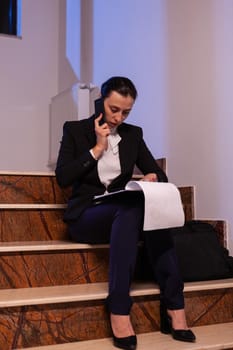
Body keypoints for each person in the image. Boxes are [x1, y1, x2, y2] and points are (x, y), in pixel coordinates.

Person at [55, 76, 196, 350]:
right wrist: (97, 148)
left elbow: (159, 173)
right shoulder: (75, 130)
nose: (119, 117)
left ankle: (174, 305)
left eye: (126, 112)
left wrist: (152, 177)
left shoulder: (134, 134)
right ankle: (121, 309)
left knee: (144, 207)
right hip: (87, 215)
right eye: (114, 109)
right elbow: (63, 177)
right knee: (133, 209)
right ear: (101, 102)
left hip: (122, 212)